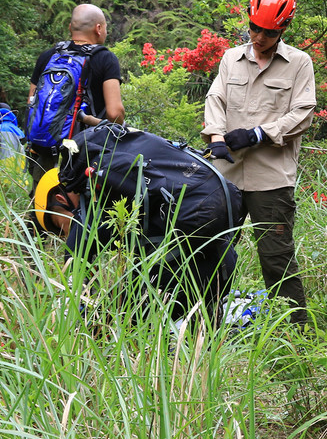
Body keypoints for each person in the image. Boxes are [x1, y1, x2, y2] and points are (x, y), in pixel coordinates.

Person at [32, 124, 242, 324]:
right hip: (223, 268)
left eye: (59, 225)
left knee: (120, 321)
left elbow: (75, 268)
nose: (63, 235)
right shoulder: (136, 181)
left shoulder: (96, 207)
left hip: (184, 275)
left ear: (61, 199)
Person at [202, 0, 316, 325]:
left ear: (283, 29)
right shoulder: (231, 59)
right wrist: (217, 135)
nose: (259, 37)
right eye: (254, 28)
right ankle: (204, 325)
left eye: (268, 32)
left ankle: (295, 335)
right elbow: (215, 98)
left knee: (276, 258)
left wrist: (257, 134)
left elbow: (303, 113)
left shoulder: (299, 64)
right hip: (226, 177)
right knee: (213, 252)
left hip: (271, 181)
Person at [26, 4, 125, 186]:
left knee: (42, 199)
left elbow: (31, 101)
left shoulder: (48, 56)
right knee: (77, 200)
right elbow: (115, 113)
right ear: (98, 28)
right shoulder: (105, 58)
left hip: (45, 148)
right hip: (83, 154)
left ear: (71, 27)